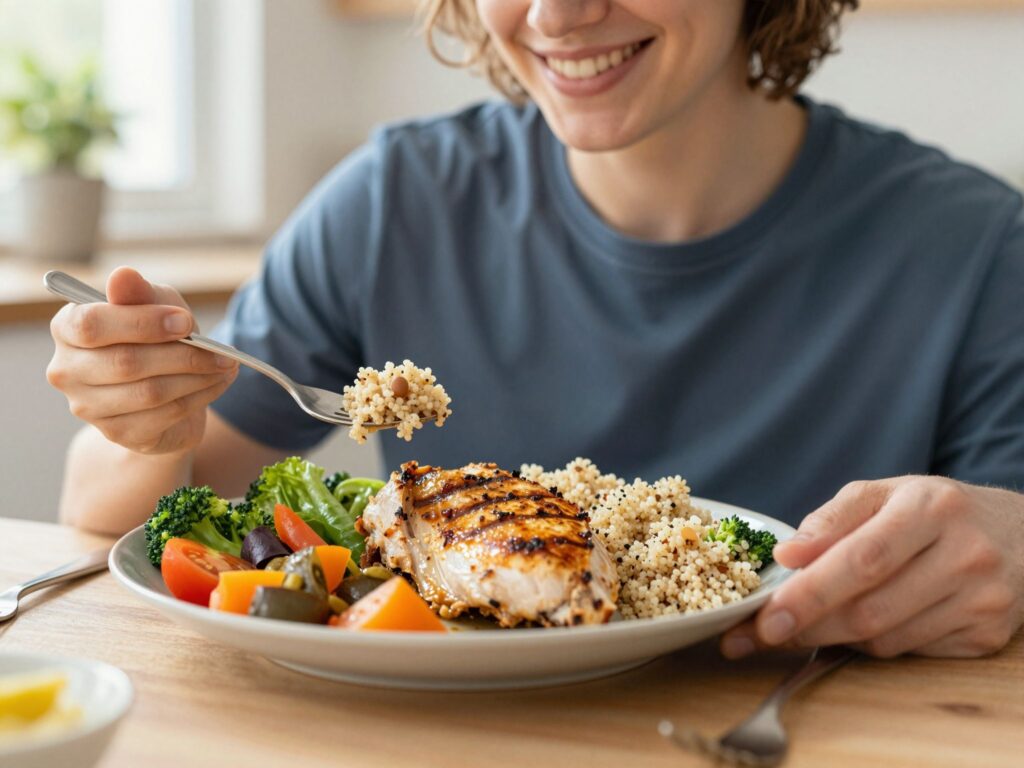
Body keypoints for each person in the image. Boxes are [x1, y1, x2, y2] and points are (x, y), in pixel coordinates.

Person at [47, 0, 1024, 659]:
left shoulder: (975, 246)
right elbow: (107, 519)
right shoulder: (393, 205)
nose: (555, 14)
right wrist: (146, 426)